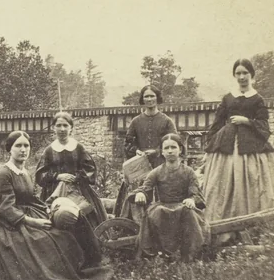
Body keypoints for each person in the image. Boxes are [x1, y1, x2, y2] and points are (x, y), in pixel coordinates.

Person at [0, 131, 109, 280]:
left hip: (27, 211)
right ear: (10, 149)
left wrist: (46, 208)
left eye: (26, 145)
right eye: (18, 146)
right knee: (42, 241)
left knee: (62, 234)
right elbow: (5, 207)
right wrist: (33, 222)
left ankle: (75, 271)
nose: (23, 150)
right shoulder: (4, 173)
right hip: (8, 220)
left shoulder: (24, 170)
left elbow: (30, 199)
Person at [202, 58, 274, 243]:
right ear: (234, 75)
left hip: (252, 148)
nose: (241, 77)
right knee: (222, 185)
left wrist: (246, 121)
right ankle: (223, 231)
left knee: (254, 182)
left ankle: (256, 229)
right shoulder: (228, 98)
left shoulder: (258, 99)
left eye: (245, 73)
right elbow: (216, 124)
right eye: (238, 73)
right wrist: (210, 147)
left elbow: (264, 126)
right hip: (227, 147)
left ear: (251, 75)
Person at [133, 133, 210, 261]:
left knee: (188, 212)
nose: (170, 151)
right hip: (163, 205)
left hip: (182, 205)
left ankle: (190, 256)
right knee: (157, 212)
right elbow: (146, 187)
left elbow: (195, 191)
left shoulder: (188, 172)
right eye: (166, 148)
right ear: (162, 152)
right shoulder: (157, 171)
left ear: (180, 149)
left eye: (173, 147)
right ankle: (160, 254)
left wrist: (191, 199)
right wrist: (141, 193)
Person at [34, 110, 110, 231]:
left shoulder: (78, 147)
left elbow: (90, 168)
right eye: (58, 125)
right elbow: (40, 174)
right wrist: (57, 177)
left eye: (65, 125)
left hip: (79, 190)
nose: (62, 129)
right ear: (53, 128)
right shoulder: (49, 150)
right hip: (54, 191)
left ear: (71, 128)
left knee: (86, 222)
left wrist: (77, 177)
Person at [114, 84, 178, 223]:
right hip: (140, 167)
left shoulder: (166, 121)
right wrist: (136, 150)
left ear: (157, 98)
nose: (149, 99)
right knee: (137, 198)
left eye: (152, 96)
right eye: (146, 96)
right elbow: (128, 143)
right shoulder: (136, 121)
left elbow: (175, 142)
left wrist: (156, 151)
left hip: (160, 164)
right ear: (143, 99)